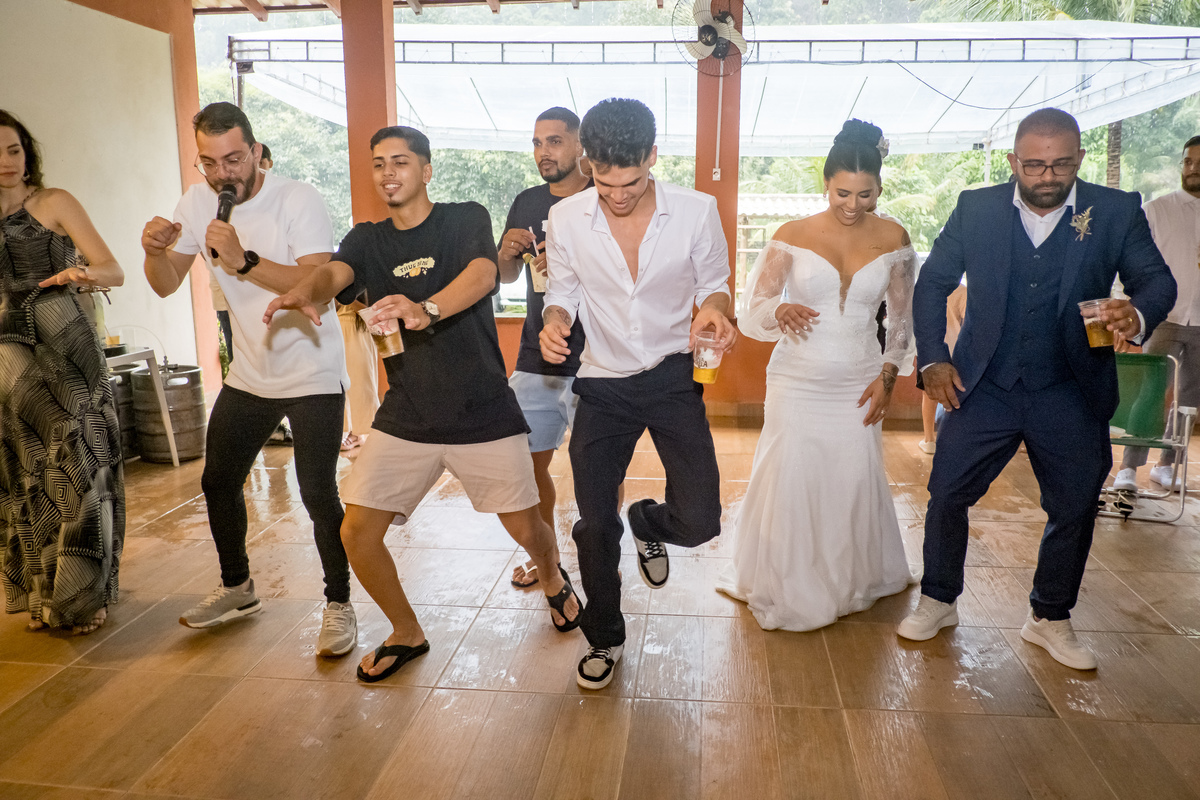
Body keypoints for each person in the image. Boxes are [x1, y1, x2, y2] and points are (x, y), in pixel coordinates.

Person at [265, 125, 580, 684]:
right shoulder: (367, 239)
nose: (389, 172)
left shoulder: (464, 218)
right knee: (356, 533)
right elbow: (336, 273)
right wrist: (307, 292)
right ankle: (406, 631)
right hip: (407, 414)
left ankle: (554, 580)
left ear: (426, 169)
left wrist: (425, 309)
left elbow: (485, 274)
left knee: (527, 527)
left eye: (402, 161)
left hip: (482, 409)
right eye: (379, 162)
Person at [900, 108, 1176, 670]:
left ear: (1079, 158)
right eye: (1034, 165)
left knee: (1074, 504)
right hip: (984, 384)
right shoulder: (975, 208)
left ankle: (1050, 616)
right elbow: (933, 282)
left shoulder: (1117, 210)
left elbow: (1157, 280)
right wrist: (933, 357)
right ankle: (938, 598)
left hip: (1071, 385)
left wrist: (1138, 314)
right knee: (948, 491)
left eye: (1062, 164)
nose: (1047, 176)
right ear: (1012, 161)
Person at [141, 103, 357, 657]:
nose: (223, 174)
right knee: (218, 481)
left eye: (234, 159)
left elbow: (318, 281)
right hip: (251, 375)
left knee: (316, 492)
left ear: (257, 152)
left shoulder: (297, 197)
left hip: (311, 369)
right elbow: (165, 284)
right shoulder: (195, 203)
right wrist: (154, 252)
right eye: (209, 162)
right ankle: (238, 589)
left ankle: (339, 603)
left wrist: (243, 261)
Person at [541, 98, 735, 689]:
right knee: (593, 525)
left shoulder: (698, 211)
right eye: (604, 182)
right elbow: (564, 292)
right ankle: (605, 636)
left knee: (701, 519)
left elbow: (716, 286)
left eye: (630, 181)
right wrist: (554, 320)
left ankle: (648, 521)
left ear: (653, 156)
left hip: (674, 376)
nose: (618, 194)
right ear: (587, 162)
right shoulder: (568, 218)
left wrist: (717, 314)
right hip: (601, 383)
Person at [715, 119, 917, 631]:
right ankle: (786, 580)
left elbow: (902, 319)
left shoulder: (894, 237)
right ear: (825, 184)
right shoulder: (792, 235)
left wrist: (889, 376)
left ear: (880, 186)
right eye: (842, 193)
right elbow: (755, 308)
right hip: (797, 378)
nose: (852, 205)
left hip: (860, 375)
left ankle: (850, 577)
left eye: (865, 194)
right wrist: (779, 313)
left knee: (851, 475)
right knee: (794, 473)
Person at [0, 109, 126, 635]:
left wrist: (82, 273)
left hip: (67, 347)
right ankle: (44, 593)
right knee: (28, 474)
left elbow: (112, 269)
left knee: (80, 464)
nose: (7, 162)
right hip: (10, 361)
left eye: (13, 149)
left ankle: (83, 597)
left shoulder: (53, 202)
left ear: (28, 151)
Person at [497, 106, 594, 588]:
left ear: (580, 145)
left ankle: (602, 551)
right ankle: (546, 555)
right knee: (527, 465)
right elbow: (506, 277)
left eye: (554, 141)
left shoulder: (606, 196)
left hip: (598, 358)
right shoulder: (526, 200)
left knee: (598, 469)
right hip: (536, 357)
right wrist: (505, 252)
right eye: (537, 142)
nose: (543, 152)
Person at [1111, 135, 1200, 494]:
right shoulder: (1157, 210)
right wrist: (1126, 305)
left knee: (1191, 398)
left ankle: (1168, 467)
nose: (1193, 169)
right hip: (1165, 317)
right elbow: (1131, 265)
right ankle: (1129, 469)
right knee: (1150, 393)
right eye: (1188, 162)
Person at [918, 284, 967, 454]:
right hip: (955, 349)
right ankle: (954, 438)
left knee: (928, 394)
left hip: (930, 351)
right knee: (956, 394)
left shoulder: (926, 289)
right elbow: (968, 321)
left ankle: (929, 439)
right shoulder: (962, 291)